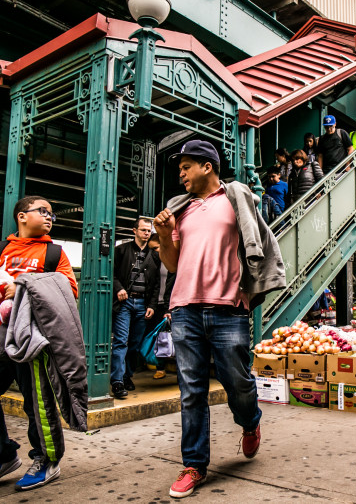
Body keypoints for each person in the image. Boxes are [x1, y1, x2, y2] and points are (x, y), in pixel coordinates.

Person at [153, 139, 285, 498]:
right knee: (190, 391)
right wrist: (165, 235)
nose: (180, 175)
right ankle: (194, 464)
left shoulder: (235, 199)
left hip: (228, 308)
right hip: (185, 309)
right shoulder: (179, 210)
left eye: (186, 167)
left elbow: (258, 241)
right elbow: (172, 263)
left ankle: (250, 421)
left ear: (207, 167)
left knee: (238, 384)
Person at [0, 195, 78, 492]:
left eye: (52, 213)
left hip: (32, 339)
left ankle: (46, 459)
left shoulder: (54, 253)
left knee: (37, 404)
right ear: (22, 216)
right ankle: (2, 455)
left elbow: (68, 288)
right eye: (43, 211)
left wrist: (24, 285)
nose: (49, 216)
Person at [111, 218, 161, 398]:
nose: (146, 233)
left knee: (135, 344)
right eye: (143, 230)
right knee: (121, 341)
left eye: (148, 230)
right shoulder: (121, 251)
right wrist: (119, 289)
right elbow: (112, 274)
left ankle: (126, 375)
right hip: (124, 303)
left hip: (143, 304)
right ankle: (117, 381)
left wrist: (152, 306)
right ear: (134, 231)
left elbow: (156, 284)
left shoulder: (154, 256)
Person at [147, 233, 175, 379]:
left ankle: (162, 367)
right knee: (158, 337)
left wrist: (169, 308)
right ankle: (159, 367)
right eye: (151, 249)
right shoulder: (152, 261)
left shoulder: (172, 261)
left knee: (166, 337)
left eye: (156, 248)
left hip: (169, 305)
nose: (154, 252)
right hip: (154, 304)